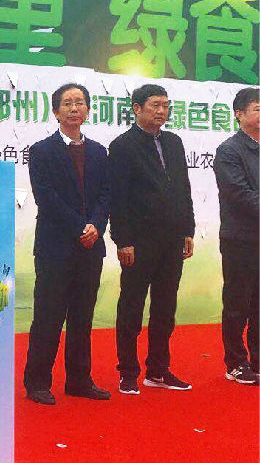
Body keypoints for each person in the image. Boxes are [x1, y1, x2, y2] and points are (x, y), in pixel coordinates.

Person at [23, 83, 111, 405]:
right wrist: (79, 227)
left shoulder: (99, 152)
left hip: (91, 247)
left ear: (87, 109)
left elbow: (106, 195)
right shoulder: (42, 150)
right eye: (68, 103)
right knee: (48, 317)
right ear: (56, 111)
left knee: (82, 318)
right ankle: (37, 382)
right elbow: (46, 197)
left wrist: (95, 226)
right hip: (56, 248)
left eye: (80, 103)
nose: (75, 108)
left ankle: (79, 380)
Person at [109, 84, 195, 395]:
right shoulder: (123, 146)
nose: (161, 111)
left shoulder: (174, 142)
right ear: (137, 108)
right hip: (139, 242)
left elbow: (183, 188)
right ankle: (127, 372)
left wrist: (188, 229)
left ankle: (158, 370)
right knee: (131, 307)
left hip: (172, 239)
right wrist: (122, 240)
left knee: (165, 308)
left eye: (166, 105)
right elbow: (117, 197)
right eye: (155, 105)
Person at [213, 86, 259, 385]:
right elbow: (238, 193)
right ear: (239, 114)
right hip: (240, 239)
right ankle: (236, 363)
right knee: (237, 303)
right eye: (258, 109)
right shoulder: (229, 151)